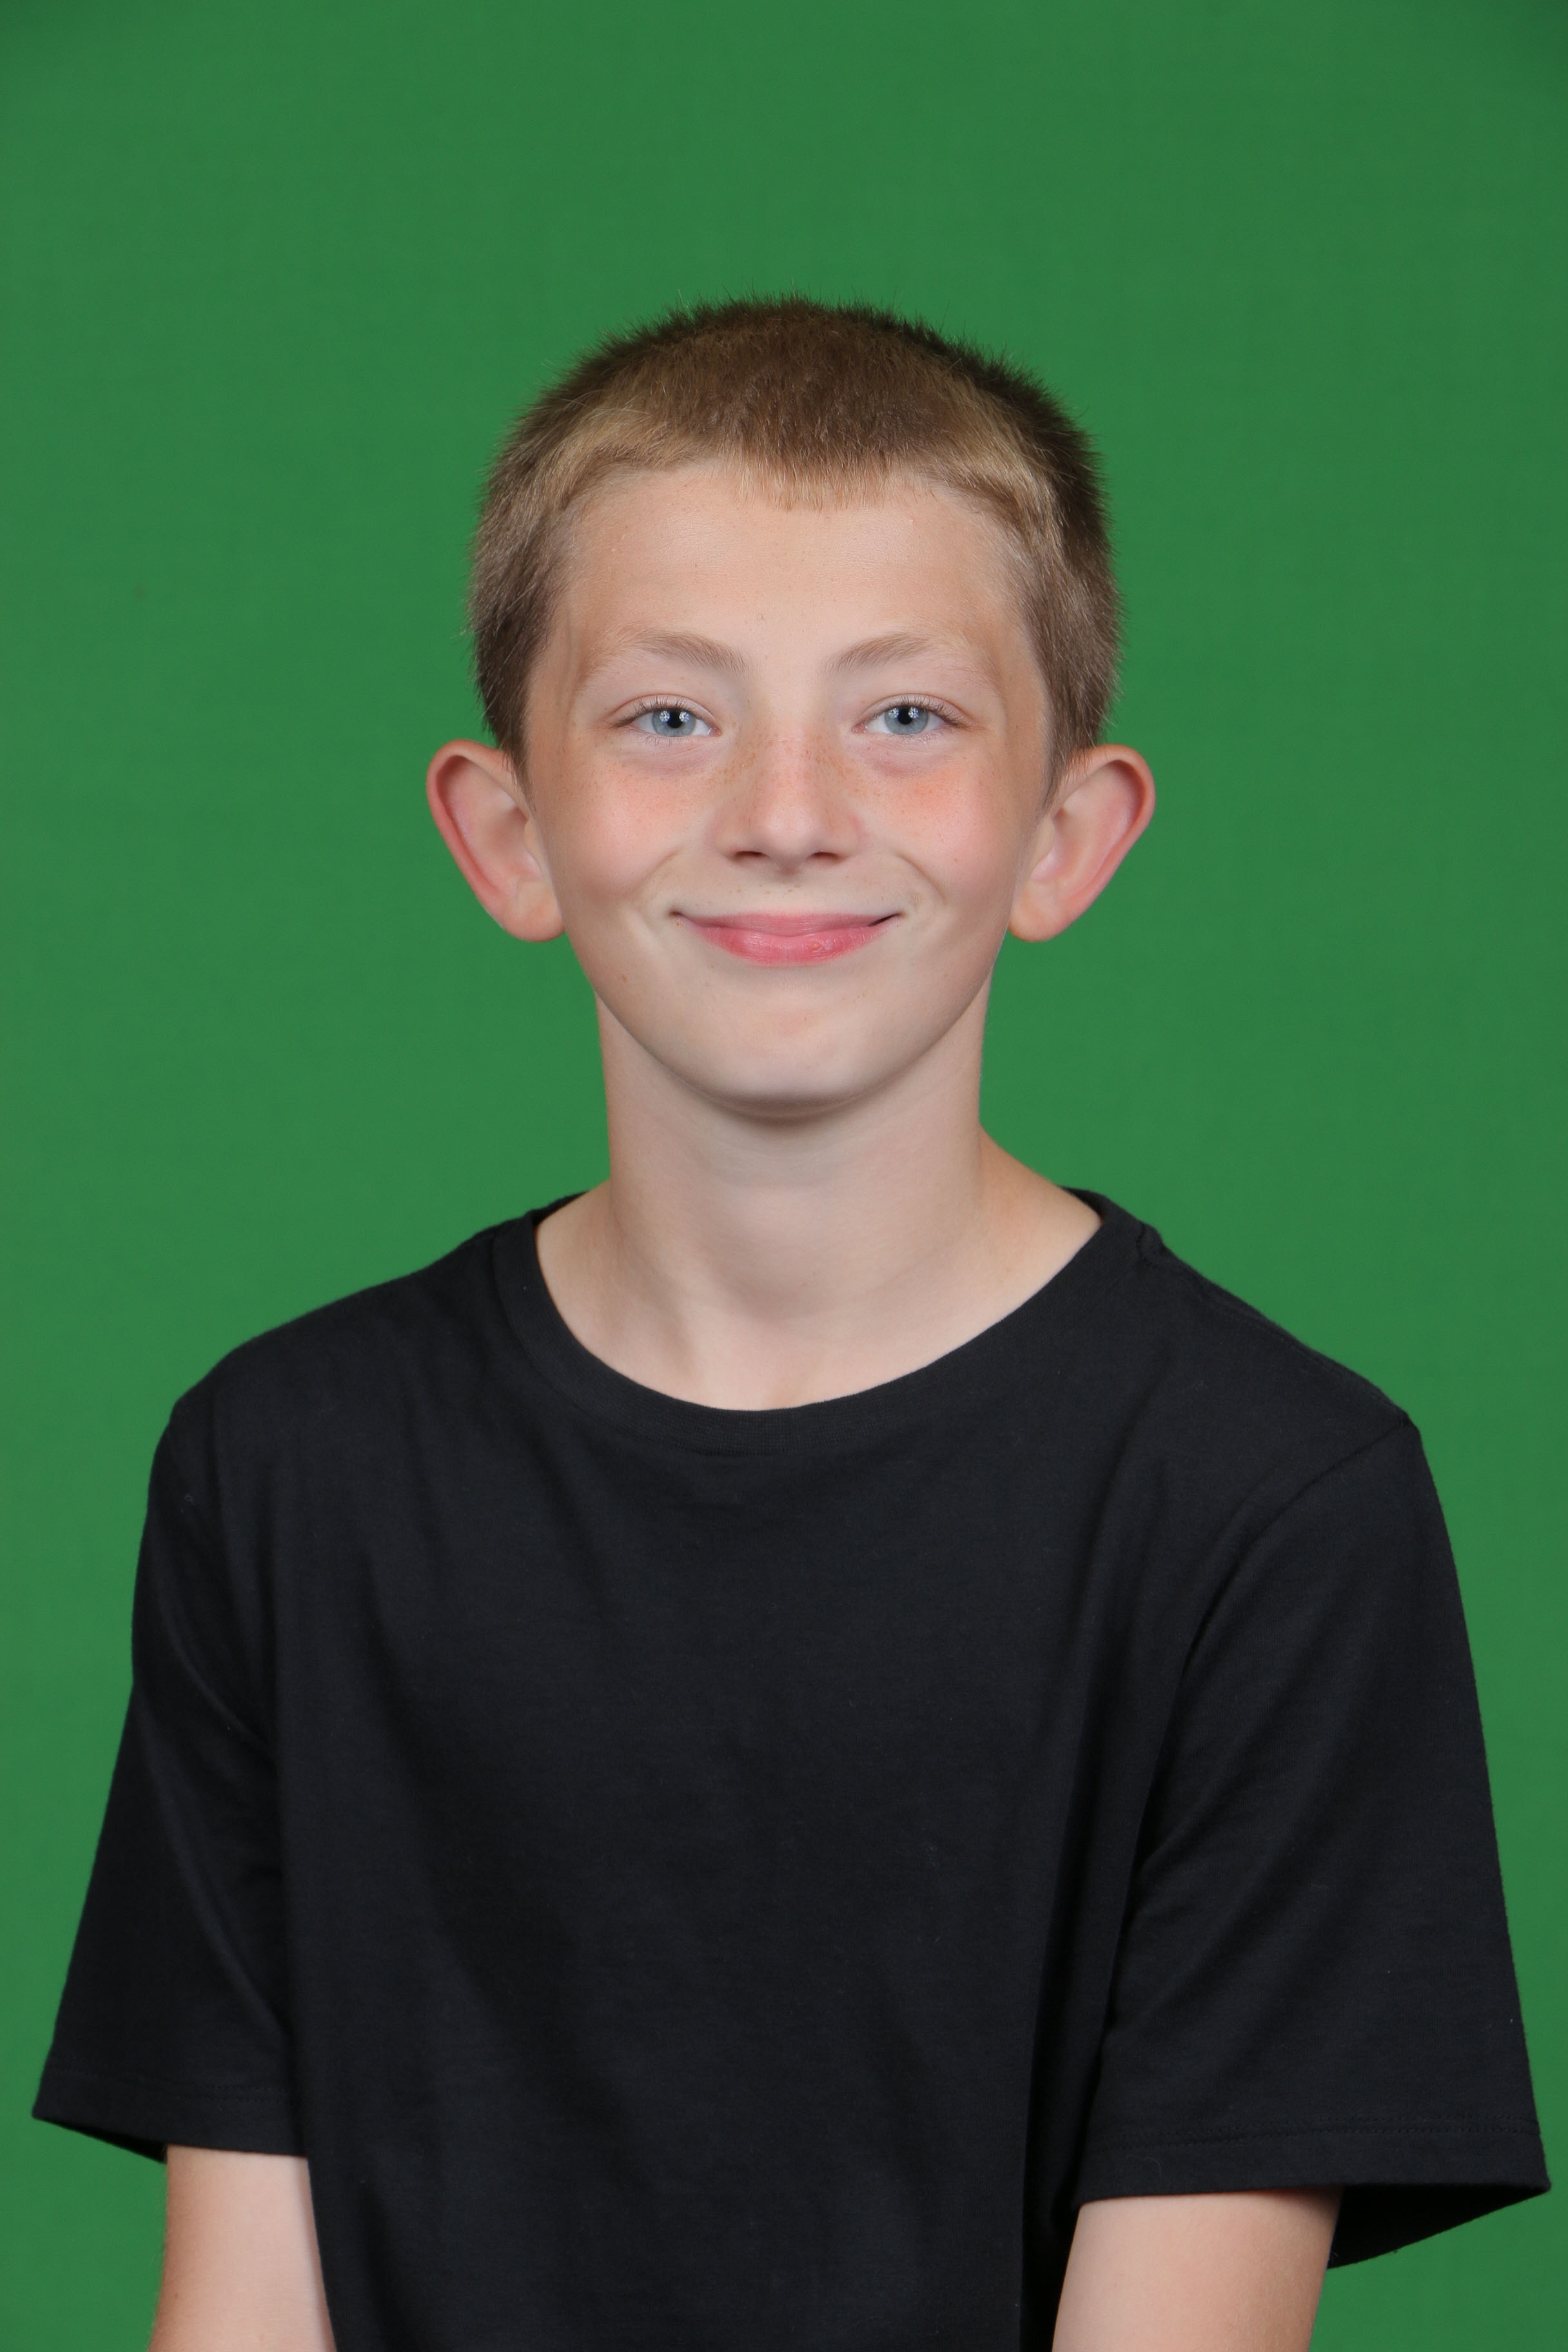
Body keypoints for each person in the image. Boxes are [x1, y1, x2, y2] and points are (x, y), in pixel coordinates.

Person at [35, 298, 1545, 2351]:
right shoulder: (285, 1470)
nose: (788, 809)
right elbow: (242, 2308)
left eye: (905, 715)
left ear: (1066, 835)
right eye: (671, 717)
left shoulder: (1275, 1508)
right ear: (507, 833)